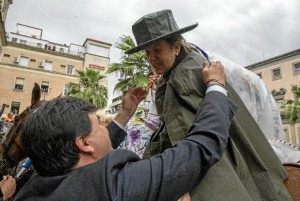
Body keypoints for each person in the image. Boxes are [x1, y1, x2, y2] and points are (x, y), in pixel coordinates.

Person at [126, 9, 292, 200]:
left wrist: (182, 187)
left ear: (176, 47)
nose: (151, 58)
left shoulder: (183, 76)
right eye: (147, 52)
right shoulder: (192, 65)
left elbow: (188, 142)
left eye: (157, 50)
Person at [14, 62, 235, 201]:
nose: (104, 129)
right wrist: (215, 86)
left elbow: (92, 150)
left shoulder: (35, 184)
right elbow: (200, 148)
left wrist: (125, 113)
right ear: (83, 143)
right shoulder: (114, 186)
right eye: (99, 125)